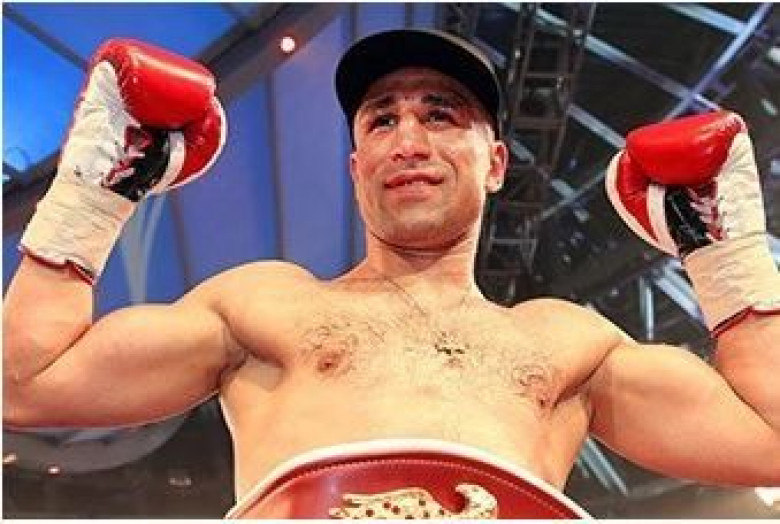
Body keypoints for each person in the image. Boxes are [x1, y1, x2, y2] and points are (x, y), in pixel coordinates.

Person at [3, 28, 780, 519]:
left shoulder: (568, 343)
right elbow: (25, 383)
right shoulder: (263, 304)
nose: (408, 140)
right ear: (356, 167)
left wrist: (727, 255)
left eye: (440, 114)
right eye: (382, 120)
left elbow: (770, 440)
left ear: (496, 163)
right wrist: (95, 188)